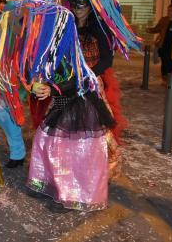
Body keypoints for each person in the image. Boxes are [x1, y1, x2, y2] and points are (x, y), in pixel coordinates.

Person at [27, 62, 115, 212]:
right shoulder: (52, 41)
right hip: (62, 98)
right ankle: (48, 183)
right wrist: (37, 83)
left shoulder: (79, 41)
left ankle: (73, 195)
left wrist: (53, 89)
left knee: (74, 150)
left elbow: (86, 75)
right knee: (47, 142)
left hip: (81, 99)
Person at [147, 4, 172, 85]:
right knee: (165, 62)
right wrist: (150, 30)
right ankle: (165, 79)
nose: (170, 12)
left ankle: (168, 78)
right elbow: (157, 29)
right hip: (164, 45)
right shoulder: (164, 20)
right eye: (169, 10)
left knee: (171, 63)